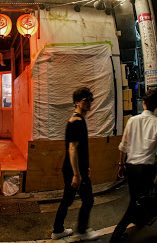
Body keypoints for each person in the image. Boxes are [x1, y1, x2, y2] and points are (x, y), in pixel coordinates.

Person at [109, 89, 157, 243]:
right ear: (156, 106)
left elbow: (123, 146)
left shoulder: (132, 121)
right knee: (136, 202)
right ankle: (116, 236)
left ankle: (139, 221)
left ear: (143, 103)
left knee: (137, 198)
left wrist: (121, 164)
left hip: (131, 167)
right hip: (146, 168)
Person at [52, 87, 99, 241]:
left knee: (68, 199)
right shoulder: (76, 122)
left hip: (76, 169)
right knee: (88, 200)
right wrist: (77, 175)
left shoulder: (78, 120)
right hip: (75, 171)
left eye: (90, 99)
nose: (89, 103)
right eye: (85, 100)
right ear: (77, 102)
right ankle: (82, 231)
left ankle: (58, 230)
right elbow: (72, 149)